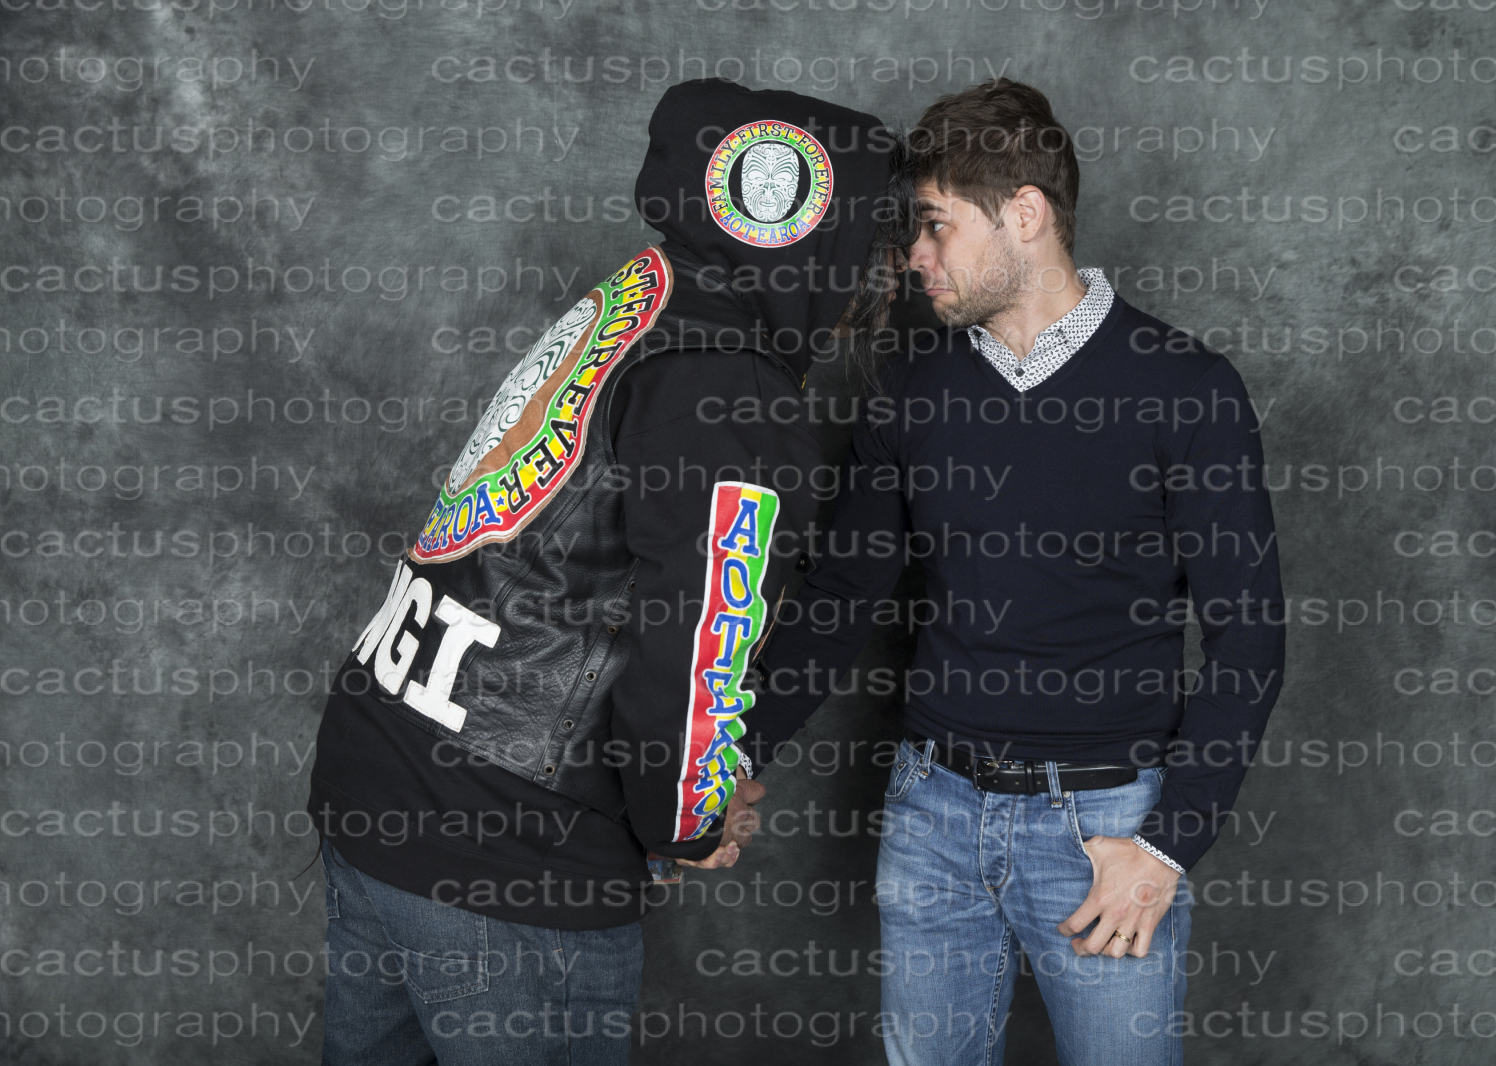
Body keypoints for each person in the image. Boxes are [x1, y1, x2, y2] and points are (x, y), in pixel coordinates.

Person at [304, 77, 911, 1065]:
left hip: (377, 770)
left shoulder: (635, 295)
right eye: (876, 238)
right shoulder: (734, 392)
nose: (896, 270)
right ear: (811, 234)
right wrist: (690, 817)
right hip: (507, 844)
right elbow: (693, 649)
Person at [738, 78, 1287, 1065]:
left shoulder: (1185, 389)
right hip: (931, 816)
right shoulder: (911, 387)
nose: (914, 256)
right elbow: (840, 597)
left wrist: (1166, 844)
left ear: (1025, 213)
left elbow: (1249, 636)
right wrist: (731, 758)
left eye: (935, 225)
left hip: (1104, 828)